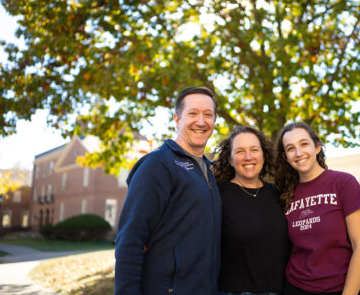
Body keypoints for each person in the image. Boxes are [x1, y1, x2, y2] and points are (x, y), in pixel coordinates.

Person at [114, 87, 222, 295]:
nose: (201, 121)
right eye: (193, 113)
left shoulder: (210, 170)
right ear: (177, 119)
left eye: (208, 114)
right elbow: (130, 240)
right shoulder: (158, 164)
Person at [274, 122, 360, 295]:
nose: (298, 153)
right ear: (285, 157)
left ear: (317, 147)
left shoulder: (344, 183)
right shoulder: (284, 194)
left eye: (304, 144)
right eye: (290, 148)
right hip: (296, 288)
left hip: (342, 288)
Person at [212, 125, 289, 295]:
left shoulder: (278, 195)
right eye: (240, 151)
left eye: (254, 150)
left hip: (279, 290)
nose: (248, 157)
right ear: (230, 160)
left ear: (263, 155)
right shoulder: (217, 196)